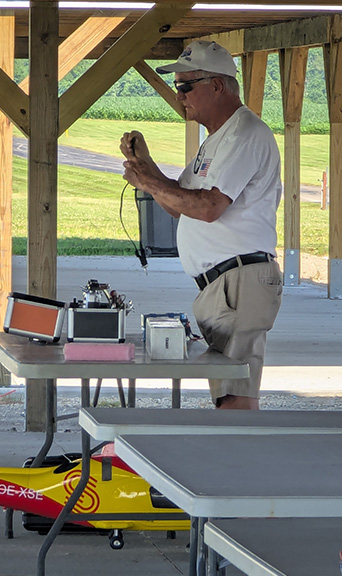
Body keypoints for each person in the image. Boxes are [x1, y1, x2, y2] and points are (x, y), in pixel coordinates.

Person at [120, 40, 282, 410]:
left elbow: (209, 207)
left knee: (235, 397)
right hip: (225, 284)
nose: (180, 96)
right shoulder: (217, 140)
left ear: (218, 86)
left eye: (185, 86)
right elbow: (182, 204)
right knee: (227, 394)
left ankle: (238, 467)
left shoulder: (245, 134)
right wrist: (148, 168)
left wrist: (148, 181)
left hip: (239, 281)